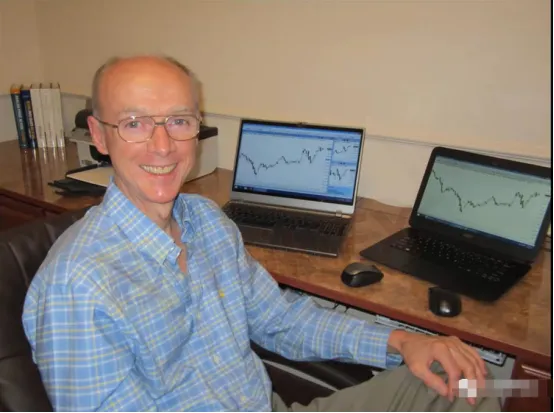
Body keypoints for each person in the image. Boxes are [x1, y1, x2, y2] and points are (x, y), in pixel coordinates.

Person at [22, 55, 500, 412]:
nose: (163, 145)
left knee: (469, 382)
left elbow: (281, 321)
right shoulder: (78, 286)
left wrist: (402, 342)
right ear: (99, 136)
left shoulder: (206, 221)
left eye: (179, 121)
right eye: (134, 123)